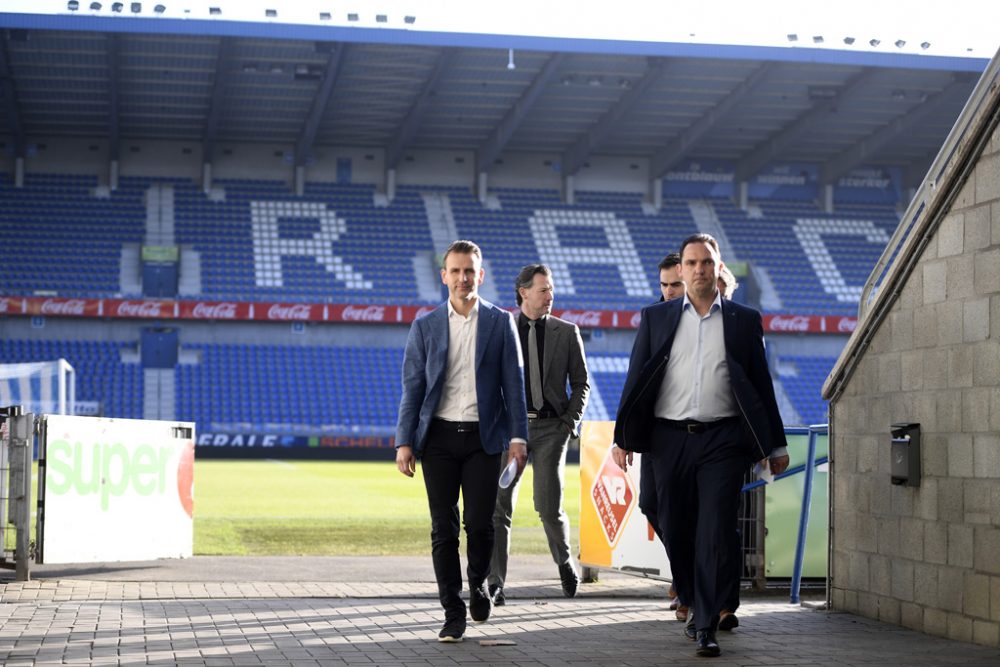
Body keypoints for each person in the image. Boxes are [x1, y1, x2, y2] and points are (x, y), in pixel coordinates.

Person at [612, 233, 789, 658]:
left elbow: (762, 386)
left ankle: (706, 622)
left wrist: (775, 444)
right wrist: (622, 437)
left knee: (713, 530)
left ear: (716, 266)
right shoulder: (657, 318)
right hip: (668, 439)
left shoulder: (745, 320)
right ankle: (690, 594)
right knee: (676, 525)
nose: (698, 270)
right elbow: (636, 378)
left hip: (723, 441)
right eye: (691, 263)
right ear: (683, 269)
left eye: (706, 262)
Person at [395, 240, 529, 643]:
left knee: (480, 525)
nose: (462, 278)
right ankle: (453, 611)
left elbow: (514, 384)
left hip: (483, 439)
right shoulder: (425, 326)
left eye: (469, 270)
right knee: (443, 529)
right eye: (455, 271)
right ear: (444, 276)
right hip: (436, 438)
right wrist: (405, 441)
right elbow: (412, 388)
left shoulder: (500, 322)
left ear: (480, 275)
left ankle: (479, 585)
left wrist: (518, 438)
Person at [488, 264, 590, 606]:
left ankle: (564, 563)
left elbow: (581, 383)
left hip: (551, 430)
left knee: (548, 507)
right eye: (544, 289)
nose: (551, 295)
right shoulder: (502, 330)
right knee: (498, 507)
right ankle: (495, 583)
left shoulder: (567, 331)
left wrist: (567, 425)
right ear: (524, 292)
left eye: (552, 289)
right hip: (510, 430)